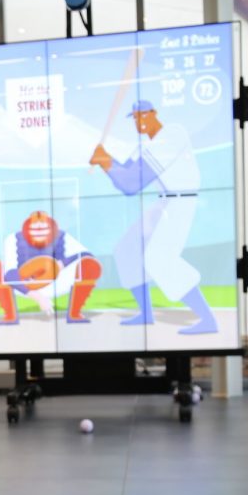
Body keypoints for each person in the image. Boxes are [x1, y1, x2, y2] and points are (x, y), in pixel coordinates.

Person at [89, 99, 217, 335]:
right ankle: (146, 313)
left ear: (154, 113)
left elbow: (131, 184)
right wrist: (105, 158)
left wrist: (105, 162)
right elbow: (124, 177)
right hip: (164, 200)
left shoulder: (172, 135)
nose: (138, 121)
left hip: (181, 200)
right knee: (127, 249)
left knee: (160, 259)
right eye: (135, 117)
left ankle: (207, 319)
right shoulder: (144, 146)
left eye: (142, 115)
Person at [0, 210, 101, 325]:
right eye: (35, 228)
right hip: (25, 285)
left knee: (89, 264)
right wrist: (38, 297)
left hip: (58, 281)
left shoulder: (62, 236)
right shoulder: (13, 239)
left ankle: (75, 313)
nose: (39, 231)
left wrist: (61, 264)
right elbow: (9, 273)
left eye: (43, 228)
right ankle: (10, 315)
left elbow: (87, 255)